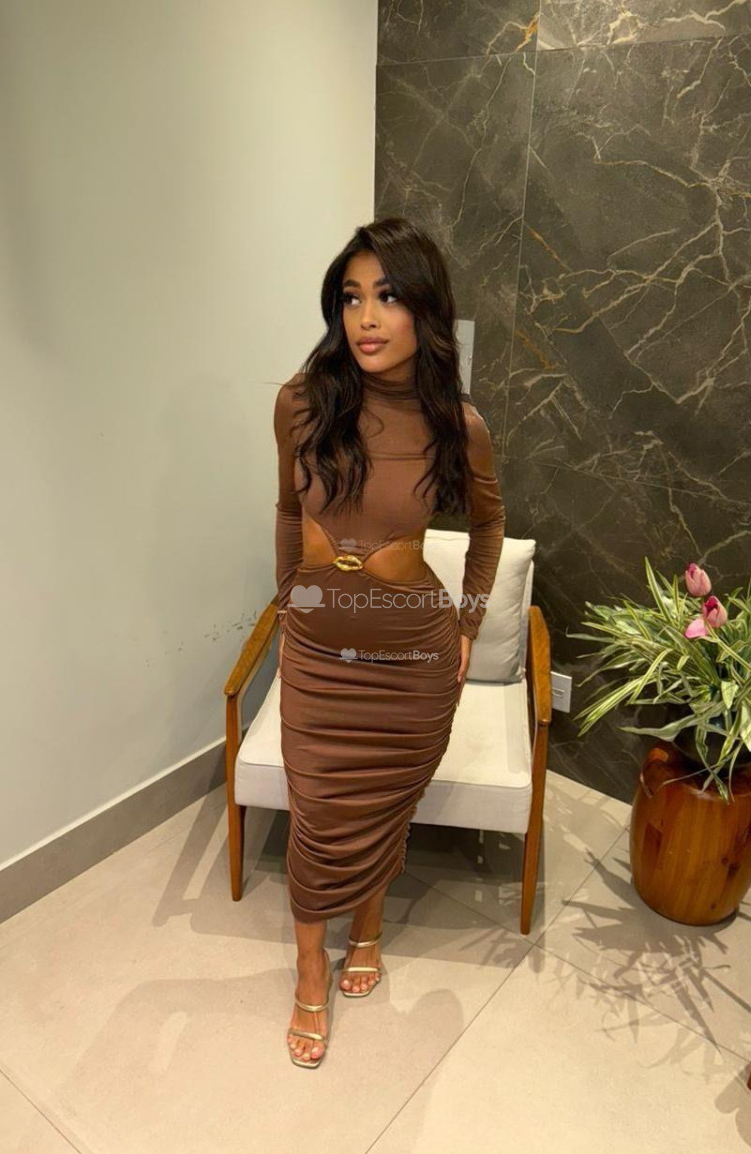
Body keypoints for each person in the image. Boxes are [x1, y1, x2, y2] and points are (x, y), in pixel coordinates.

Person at [274, 216, 506, 1066]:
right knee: (316, 820)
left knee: (380, 811)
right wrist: (289, 602)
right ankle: (311, 972)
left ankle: (367, 928)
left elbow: (488, 526)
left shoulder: (457, 425)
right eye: (351, 297)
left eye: (388, 296)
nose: (366, 318)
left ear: (425, 311)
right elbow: (285, 511)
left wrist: (468, 622)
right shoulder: (300, 403)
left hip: (412, 666)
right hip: (318, 661)